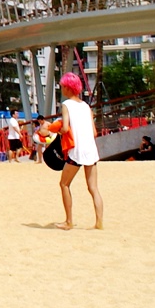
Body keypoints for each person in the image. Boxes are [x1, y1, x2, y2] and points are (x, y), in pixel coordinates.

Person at [48, 72, 102, 230]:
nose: (62, 89)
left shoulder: (67, 105)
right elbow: (94, 133)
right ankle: (99, 222)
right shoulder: (86, 106)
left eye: (63, 86)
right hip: (91, 150)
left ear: (68, 88)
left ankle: (69, 221)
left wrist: (56, 132)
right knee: (93, 188)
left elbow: (64, 128)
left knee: (64, 184)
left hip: (76, 151)